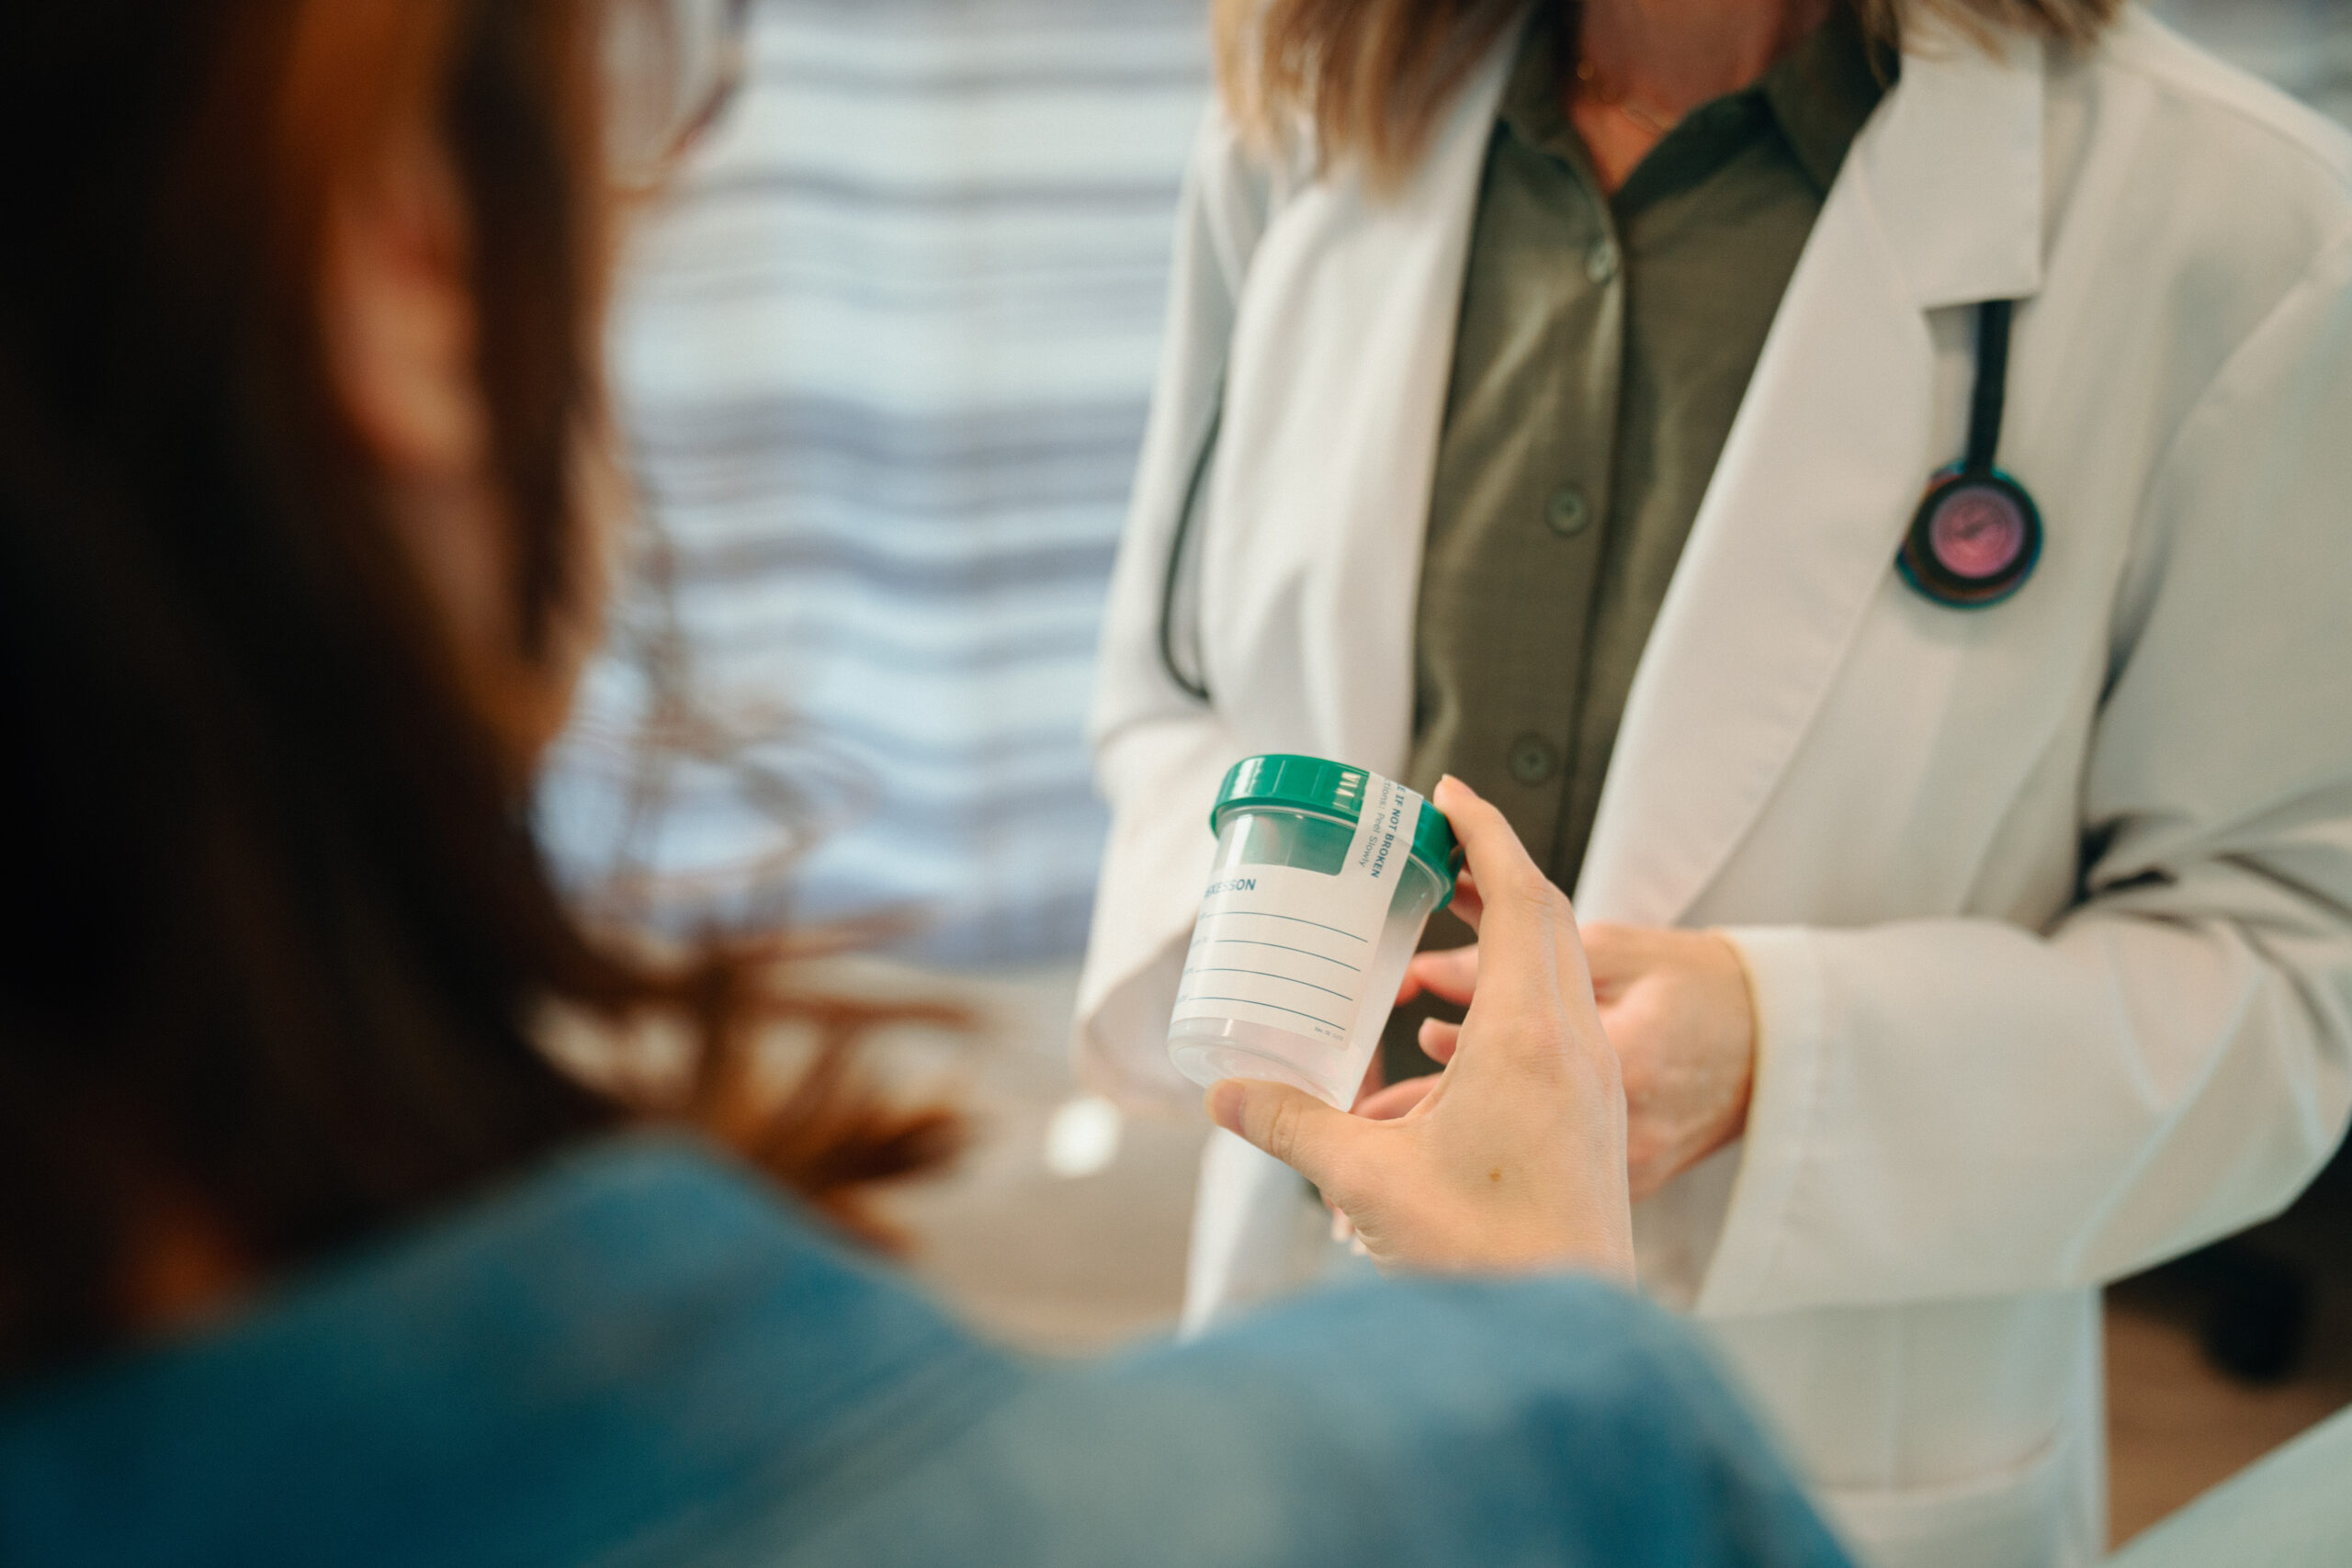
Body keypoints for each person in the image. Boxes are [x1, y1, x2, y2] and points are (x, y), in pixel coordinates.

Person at [0, 5, 1852, 1566]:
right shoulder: (1562, 1458)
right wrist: (1545, 1321)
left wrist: (1787, 1036)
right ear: (418, 260)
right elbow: (1161, 688)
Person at [1076, 0, 2352, 1563]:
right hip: (1312, 1362)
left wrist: (1777, 1059)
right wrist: (1277, 958)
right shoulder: (1304, 122)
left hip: (1827, 1436)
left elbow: (2288, 971)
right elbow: (1169, 699)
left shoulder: (2247, 227)